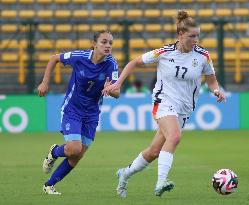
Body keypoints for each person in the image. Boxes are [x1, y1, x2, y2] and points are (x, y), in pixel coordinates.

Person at [103, 10, 225, 198]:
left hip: (185, 109)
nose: (196, 40)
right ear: (180, 34)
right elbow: (134, 62)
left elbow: (211, 80)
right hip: (163, 102)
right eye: (192, 36)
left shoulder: (203, 56)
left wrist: (216, 90)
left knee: (153, 152)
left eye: (198, 36)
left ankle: (124, 174)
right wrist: (118, 83)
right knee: (174, 137)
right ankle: (161, 182)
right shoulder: (163, 52)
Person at [37, 30, 120, 195]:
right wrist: (45, 83)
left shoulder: (112, 64)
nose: (108, 46)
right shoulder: (79, 56)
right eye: (104, 42)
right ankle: (54, 152)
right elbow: (54, 58)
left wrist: (110, 89)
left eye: (110, 43)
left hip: (92, 114)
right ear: (94, 44)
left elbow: (117, 93)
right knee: (73, 149)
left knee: (77, 155)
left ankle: (49, 185)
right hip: (72, 109)